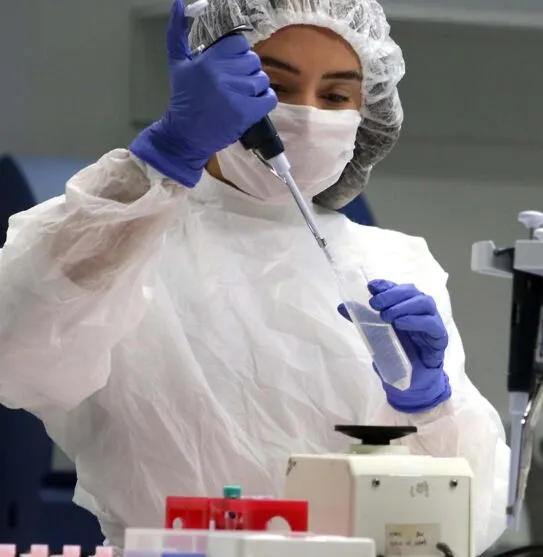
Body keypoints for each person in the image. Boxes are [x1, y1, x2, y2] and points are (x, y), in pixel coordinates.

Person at [0, 0, 509, 551]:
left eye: (336, 95)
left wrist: (431, 406)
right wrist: (166, 156)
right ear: (216, 91)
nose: (308, 114)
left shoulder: (391, 265)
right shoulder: (123, 241)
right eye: (274, 86)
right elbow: (16, 345)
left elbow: (473, 518)